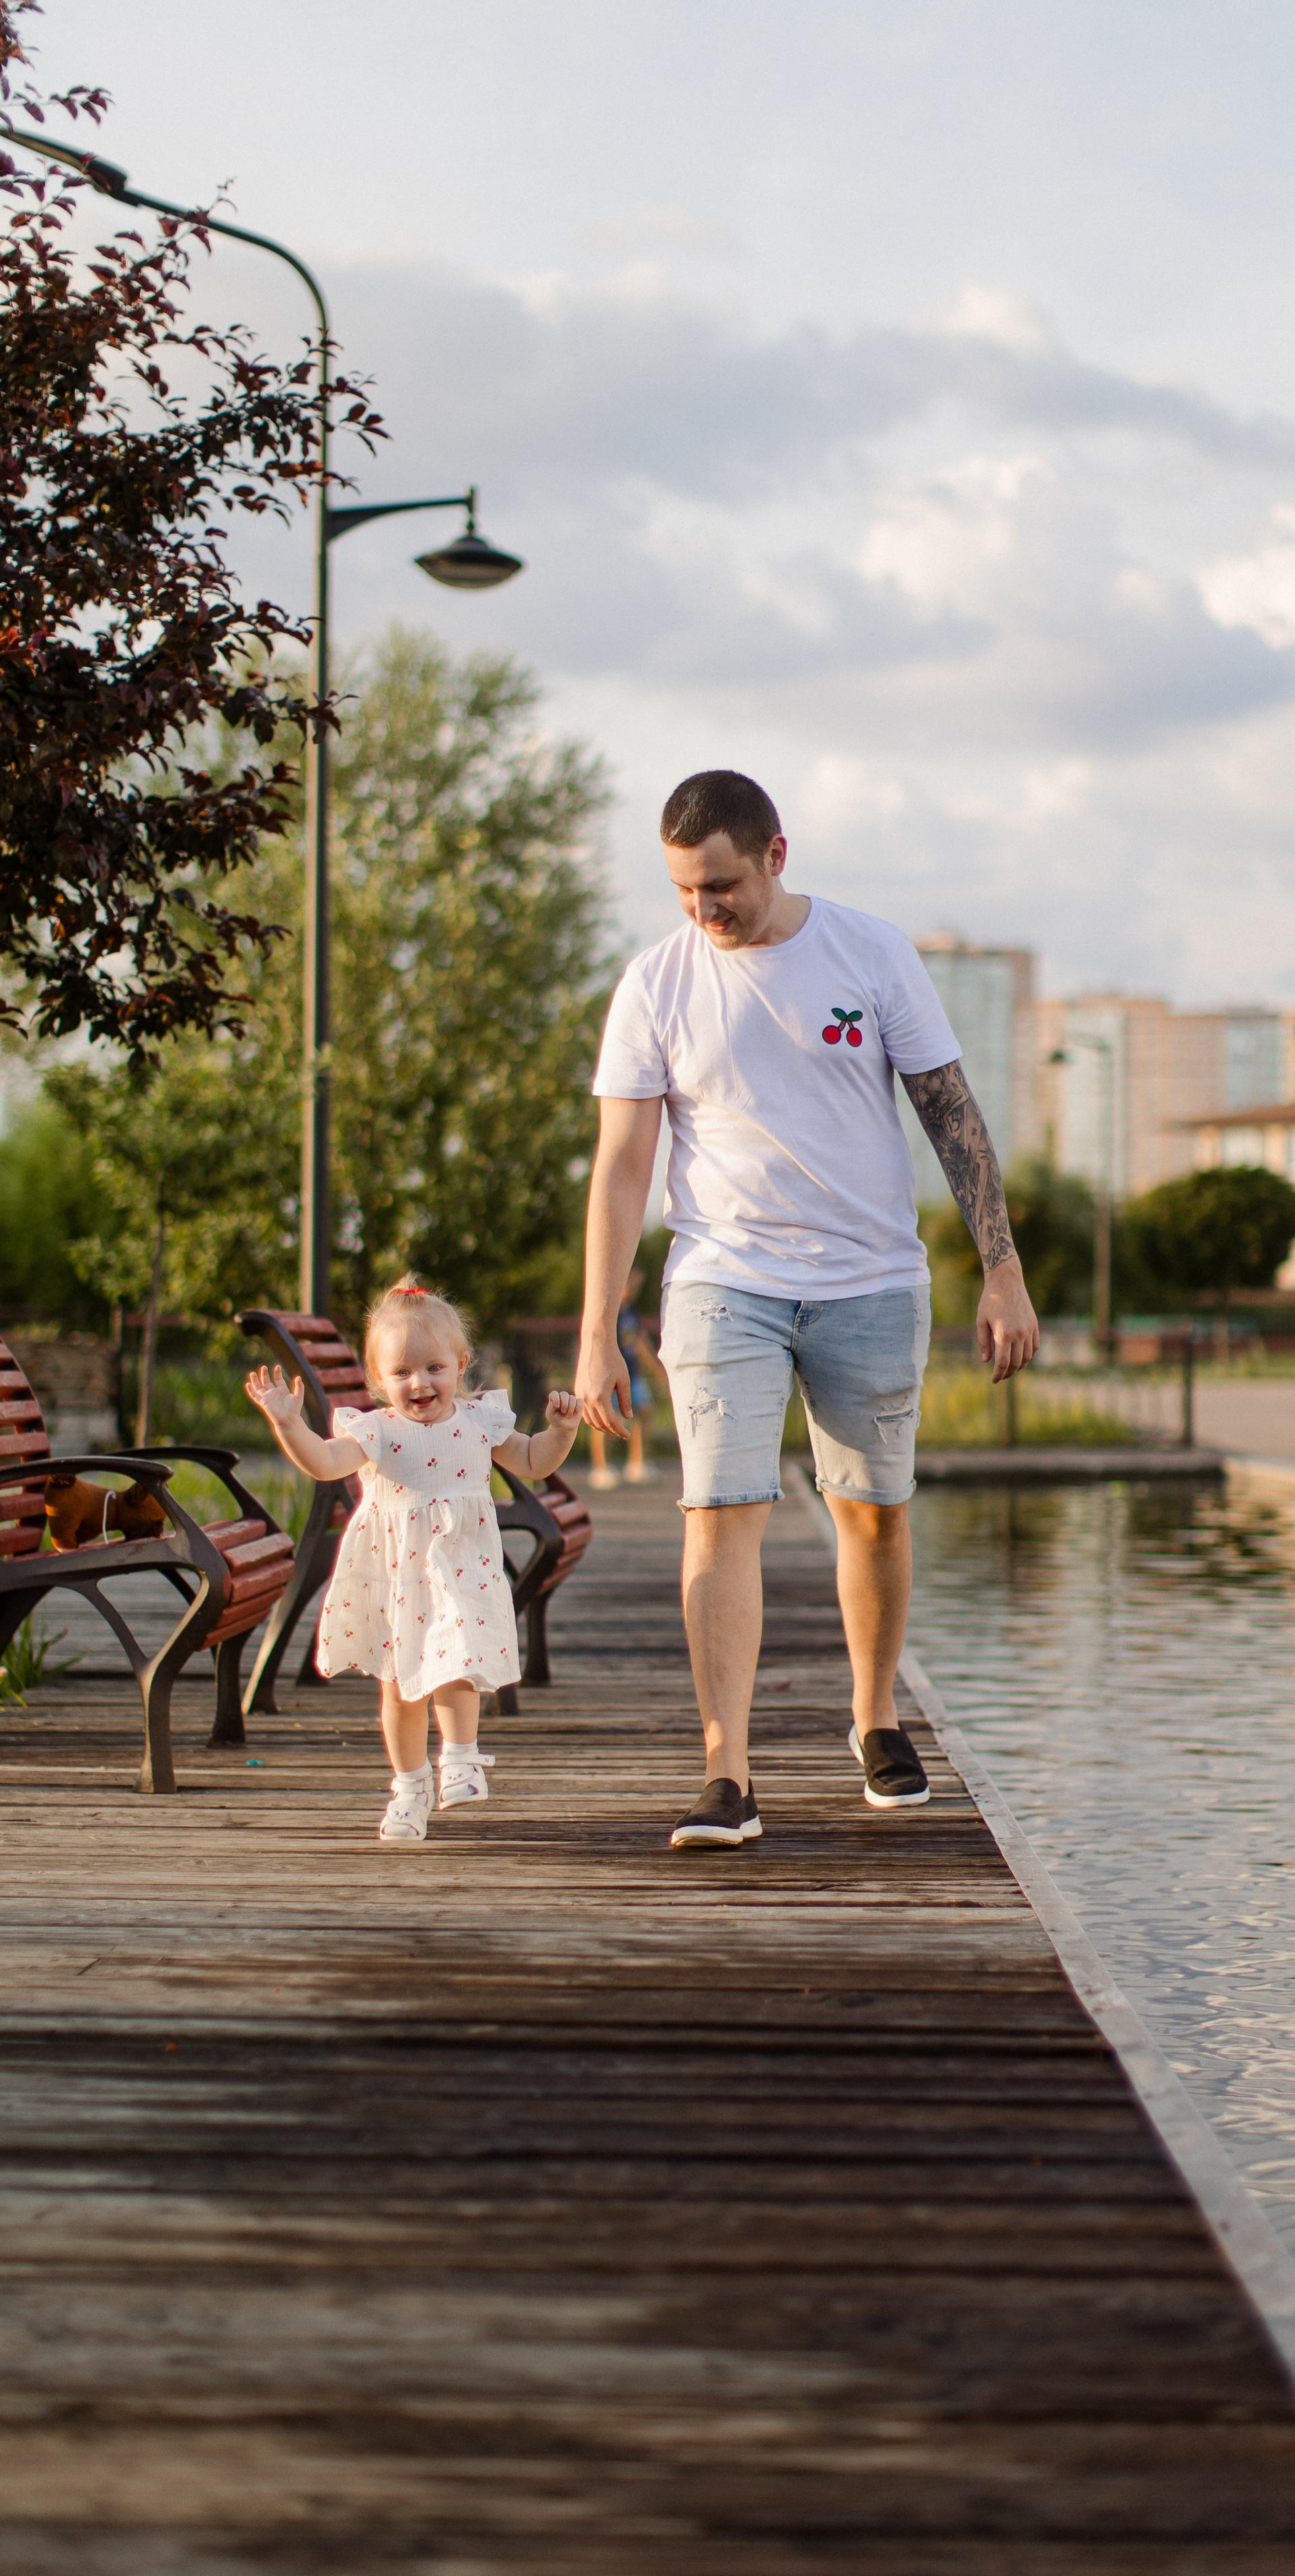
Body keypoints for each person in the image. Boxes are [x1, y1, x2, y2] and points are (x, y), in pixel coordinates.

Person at [576, 770, 1038, 1849]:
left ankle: (874, 1718)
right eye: (686, 891)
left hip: (870, 1281)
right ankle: (725, 1772)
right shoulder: (655, 984)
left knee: (871, 1510)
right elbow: (620, 1168)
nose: (706, 912)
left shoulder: (871, 954)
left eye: (723, 887)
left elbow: (952, 1118)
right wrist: (597, 1327)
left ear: (776, 856)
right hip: (721, 1280)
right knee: (719, 1513)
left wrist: (1002, 1268)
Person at [245, 1275, 584, 1845]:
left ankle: (460, 1755)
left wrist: (562, 1430)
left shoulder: (480, 1421)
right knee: (401, 1688)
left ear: (460, 1363)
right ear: (380, 1381)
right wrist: (288, 1424)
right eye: (401, 1373)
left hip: (462, 1568)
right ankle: (408, 1787)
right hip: (396, 1574)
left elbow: (532, 1461)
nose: (419, 1383)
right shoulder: (375, 1431)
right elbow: (326, 1464)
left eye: (433, 1368)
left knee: (460, 1659)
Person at [586, 1264, 661, 1488]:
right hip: (612, 1375)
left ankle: (637, 1463)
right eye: (632, 1284)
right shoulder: (610, 1312)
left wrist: (656, 1369)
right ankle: (601, 1468)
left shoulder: (630, 1311)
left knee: (645, 1411)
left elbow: (640, 1342)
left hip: (633, 1373)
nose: (635, 1289)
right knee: (607, 1421)